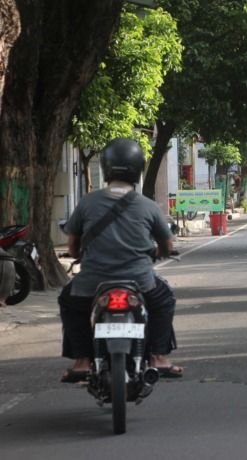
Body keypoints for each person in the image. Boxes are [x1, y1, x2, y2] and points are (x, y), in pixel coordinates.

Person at [58, 138, 182, 382]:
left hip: (91, 282)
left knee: (69, 302)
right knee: (164, 300)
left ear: (105, 167)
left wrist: (75, 254)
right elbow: (167, 246)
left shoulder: (87, 202)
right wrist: (155, 254)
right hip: (140, 281)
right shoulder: (148, 206)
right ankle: (157, 357)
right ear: (138, 169)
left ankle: (82, 360)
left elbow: (72, 244)